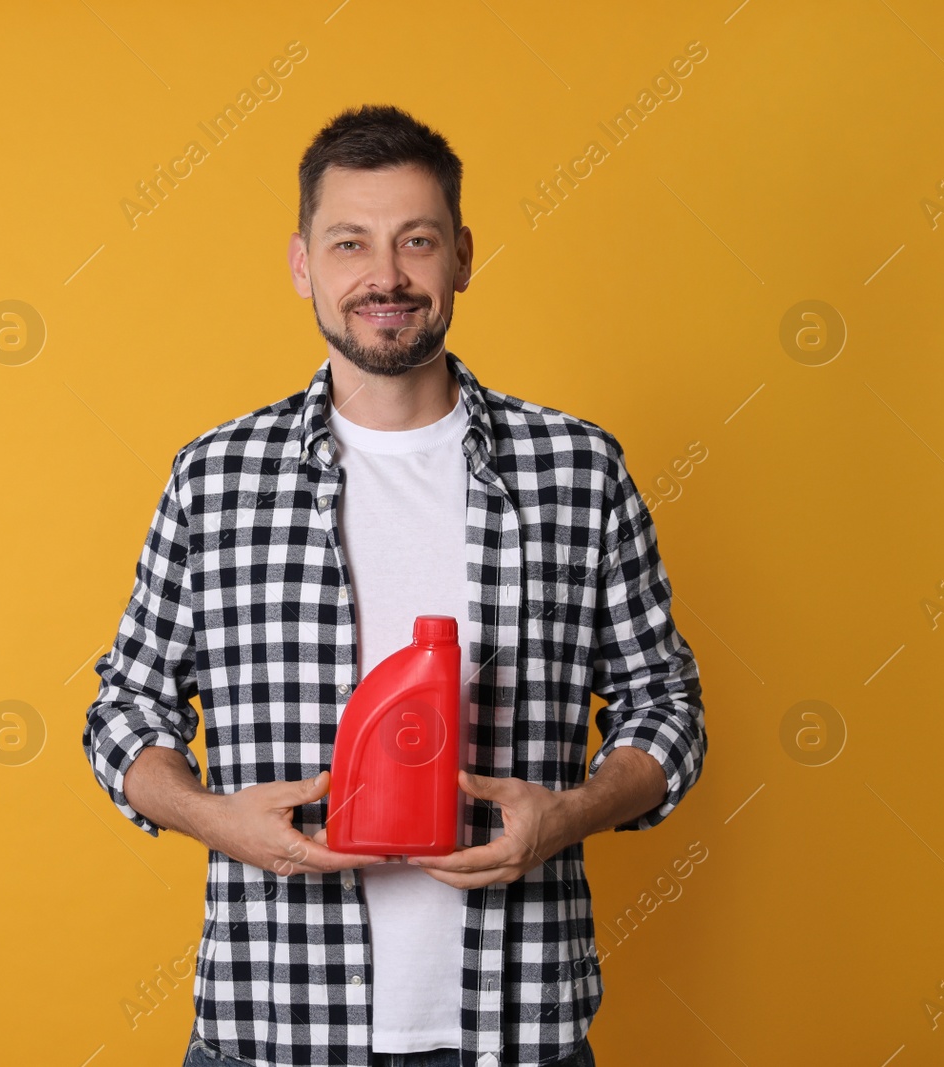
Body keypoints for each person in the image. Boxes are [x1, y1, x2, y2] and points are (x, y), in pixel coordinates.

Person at [81, 104, 707, 1067]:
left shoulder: (574, 469)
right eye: (350, 243)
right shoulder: (216, 478)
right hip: (274, 1023)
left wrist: (569, 813)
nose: (385, 276)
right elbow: (125, 708)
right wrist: (219, 820)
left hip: (516, 1025)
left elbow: (668, 708)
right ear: (302, 264)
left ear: (460, 255)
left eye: (416, 241)